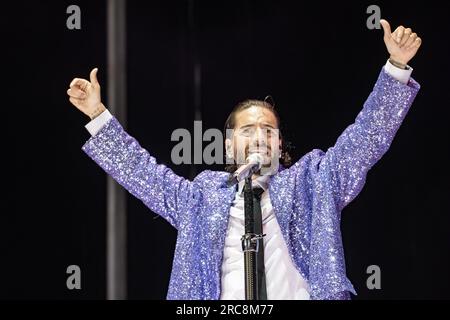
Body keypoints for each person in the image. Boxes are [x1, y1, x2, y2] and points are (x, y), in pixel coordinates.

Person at [67, 19, 421, 300]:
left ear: (280, 144)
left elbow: (363, 141)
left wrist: (396, 67)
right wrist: (97, 114)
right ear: (228, 146)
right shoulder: (200, 199)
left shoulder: (313, 182)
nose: (259, 136)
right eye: (248, 129)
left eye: (268, 130)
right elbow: (142, 173)